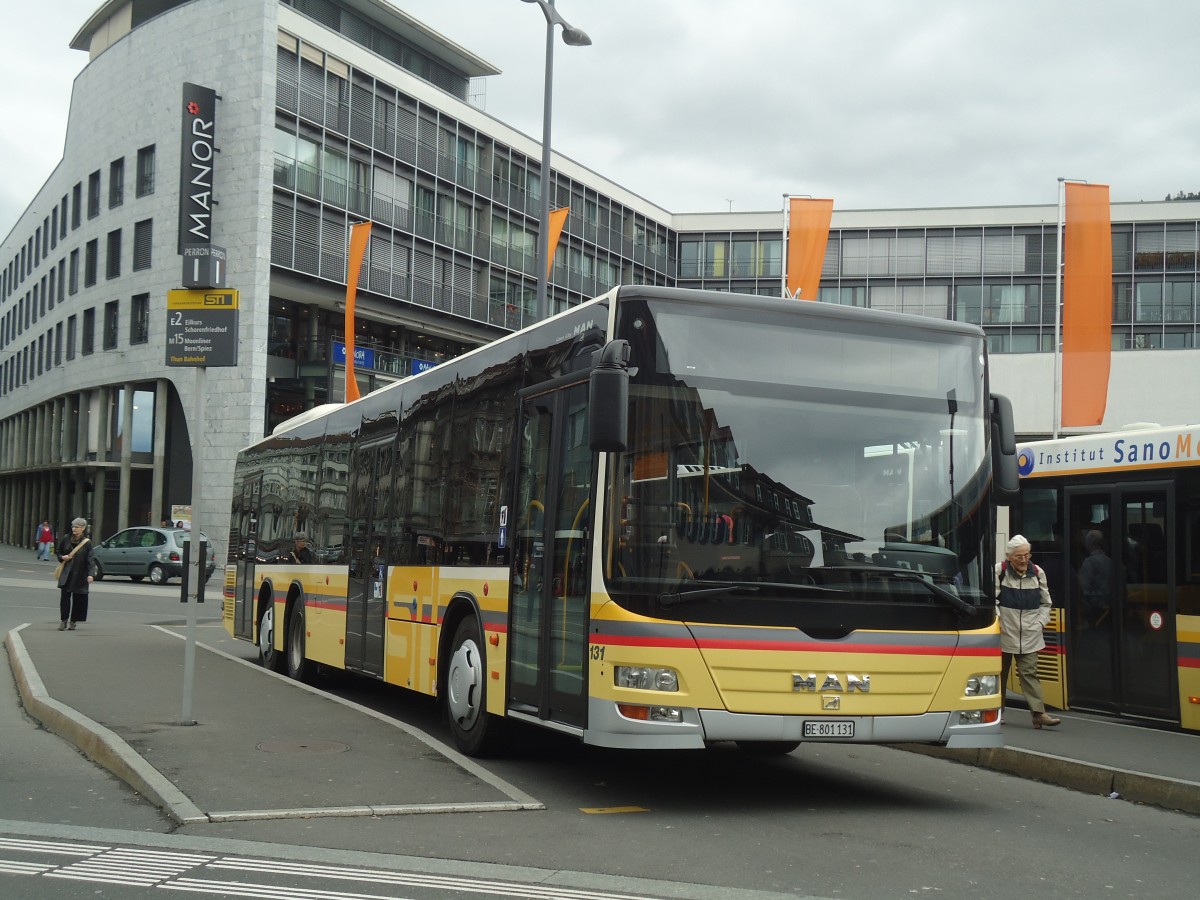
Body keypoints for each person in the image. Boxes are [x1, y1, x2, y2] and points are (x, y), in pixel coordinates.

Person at [995, 534, 1061, 728]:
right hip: (1005, 633)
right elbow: (992, 600)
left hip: (1031, 634)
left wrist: (1040, 623)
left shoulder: (1038, 572)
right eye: (1019, 556)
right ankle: (997, 712)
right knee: (1000, 674)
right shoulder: (999, 571)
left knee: (1029, 674)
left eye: (1026, 555)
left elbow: (1046, 603)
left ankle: (1039, 714)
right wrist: (999, 622)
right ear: (1009, 557)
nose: (1024, 560)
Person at [56, 517, 96, 631]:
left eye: (77, 527)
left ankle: (73, 621)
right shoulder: (66, 538)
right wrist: (62, 557)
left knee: (79, 598)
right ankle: (63, 621)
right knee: (65, 598)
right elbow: (59, 552)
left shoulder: (87, 543)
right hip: (66, 573)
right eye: (73, 526)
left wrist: (90, 574)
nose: (74, 529)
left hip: (80, 574)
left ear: (83, 528)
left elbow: (90, 559)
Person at [1078, 529, 1113, 625]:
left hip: (1094, 608)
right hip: (1109, 606)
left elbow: (1082, 587)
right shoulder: (1110, 561)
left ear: (1090, 543)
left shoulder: (1089, 562)